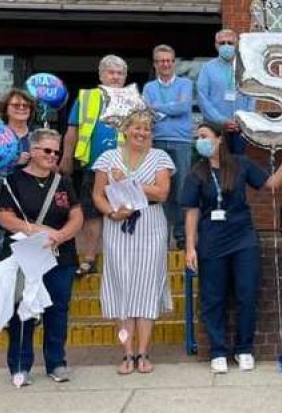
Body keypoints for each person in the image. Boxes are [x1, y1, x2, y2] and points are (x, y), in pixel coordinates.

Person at [182, 123, 282, 374]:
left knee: (247, 294)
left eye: (204, 136)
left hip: (243, 238)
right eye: (197, 138)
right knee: (213, 297)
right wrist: (190, 247)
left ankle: (244, 348)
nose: (200, 141)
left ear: (219, 139)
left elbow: (272, 184)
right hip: (211, 241)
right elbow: (191, 212)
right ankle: (218, 350)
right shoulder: (196, 173)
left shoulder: (240, 164)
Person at [0, 128, 82, 385]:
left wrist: (61, 235)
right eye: (47, 150)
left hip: (60, 256)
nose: (52, 155)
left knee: (58, 310)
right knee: (22, 311)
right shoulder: (13, 181)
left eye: (56, 151)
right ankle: (20, 366)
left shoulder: (64, 182)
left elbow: (76, 215)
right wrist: (38, 230)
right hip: (24, 257)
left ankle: (56, 363)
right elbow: (5, 217)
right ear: (32, 151)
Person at [91, 110, 174, 375]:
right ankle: (127, 354)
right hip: (118, 225)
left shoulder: (160, 157)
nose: (141, 132)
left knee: (147, 288)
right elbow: (97, 194)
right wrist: (112, 213)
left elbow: (162, 193)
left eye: (147, 129)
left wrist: (130, 181)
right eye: (136, 128)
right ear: (125, 129)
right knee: (122, 288)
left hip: (150, 224)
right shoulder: (107, 158)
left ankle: (143, 352)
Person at [62, 55, 126, 277]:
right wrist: (66, 158)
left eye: (120, 73)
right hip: (93, 166)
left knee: (122, 212)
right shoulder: (86, 97)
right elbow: (73, 131)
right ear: (101, 75)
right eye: (111, 72)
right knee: (91, 214)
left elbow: (145, 133)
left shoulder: (133, 99)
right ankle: (89, 259)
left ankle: (118, 261)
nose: (115, 77)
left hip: (123, 168)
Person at [142, 45, 195, 250]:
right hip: (157, 142)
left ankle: (181, 236)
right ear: (155, 65)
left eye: (169, 60)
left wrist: (158, 109)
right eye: (161, 61)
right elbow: (147, 112)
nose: (165, 64)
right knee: (159, 190)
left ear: (174, 63)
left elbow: (183, 107)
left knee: (181, 189)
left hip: (181, 142)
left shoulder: (186, 83)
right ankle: (161, 234)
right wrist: (170, 108)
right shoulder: (148, 88)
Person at [0, 88, 36, 260]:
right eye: (16, 104)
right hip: (2, 199)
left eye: (26, 105)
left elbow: (53, 168)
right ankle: (1, 285)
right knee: (3, 247)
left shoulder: (37, 137)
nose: (22, 107)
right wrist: (12, 162)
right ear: (5, 108)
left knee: (34, 243)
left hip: (34, 198)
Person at [196, 28, 251, 155]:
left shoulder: (246, 68)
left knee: (238, 168)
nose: (226, 46)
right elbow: (203, 99)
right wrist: (221, 121)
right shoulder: (207, 69)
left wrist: (245, 121)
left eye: (230, 43)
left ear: (236, 45)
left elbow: (252, 97)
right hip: (216, 129)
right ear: (216, 45)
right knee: (218, 165)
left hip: (240, 130)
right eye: (222, 43)